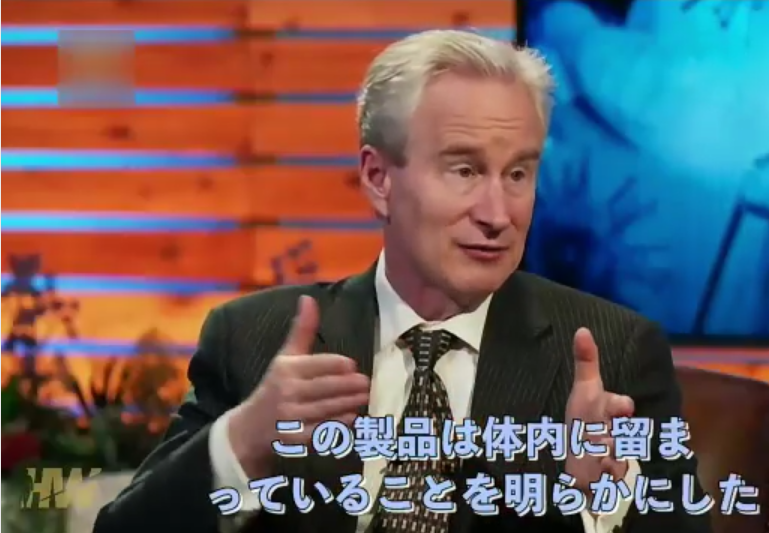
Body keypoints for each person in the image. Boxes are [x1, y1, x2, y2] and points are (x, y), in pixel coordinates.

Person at [92, 30, 711, 533]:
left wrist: (595, 504)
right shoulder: (255, 341)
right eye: (464, 170)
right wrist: (243, 444)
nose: (498, 214)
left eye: (518, 174)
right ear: (378, 178)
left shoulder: (612, 357)